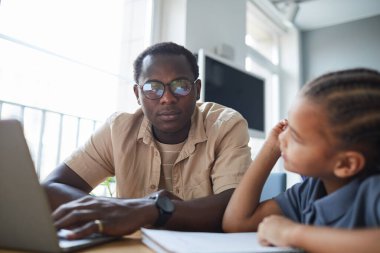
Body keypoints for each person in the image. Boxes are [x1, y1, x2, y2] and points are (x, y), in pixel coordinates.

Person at [42, 42, 252, 239]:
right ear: (137, 93)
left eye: (180, 86)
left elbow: (234, 207)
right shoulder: (118, 130)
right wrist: (120, 210)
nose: (167, 98)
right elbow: (51, 188)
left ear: (197, 89)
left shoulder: (225, 124)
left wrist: (148, 211)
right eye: (153, 88)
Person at [223, 68, 380, 253]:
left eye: (296, 137)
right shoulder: (309, 192)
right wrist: (271, 148)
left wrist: (292, 234)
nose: (282, 137)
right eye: (287, 126)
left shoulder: (373, 192)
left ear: (345, 164)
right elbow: (237, 223)